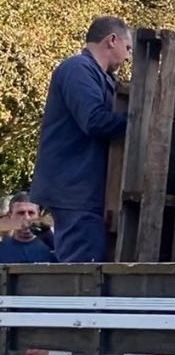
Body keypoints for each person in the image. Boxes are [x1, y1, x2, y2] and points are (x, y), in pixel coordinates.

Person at [30, 16, 132, 263]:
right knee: (80, 268)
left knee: (89, 263)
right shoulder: (77, 69)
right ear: (112, 40)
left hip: (84, 190)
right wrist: (138, 120)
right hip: (74, 190)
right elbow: (93, 120)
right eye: (128, 48)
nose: (128, 56)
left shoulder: (100, 76)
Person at [0, 193, 57, 264]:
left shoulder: (54, 248)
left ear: (38, 216)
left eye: (31, 213)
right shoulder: (2, 250)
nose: (27, 218)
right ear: (10, 216)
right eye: (21, 213)